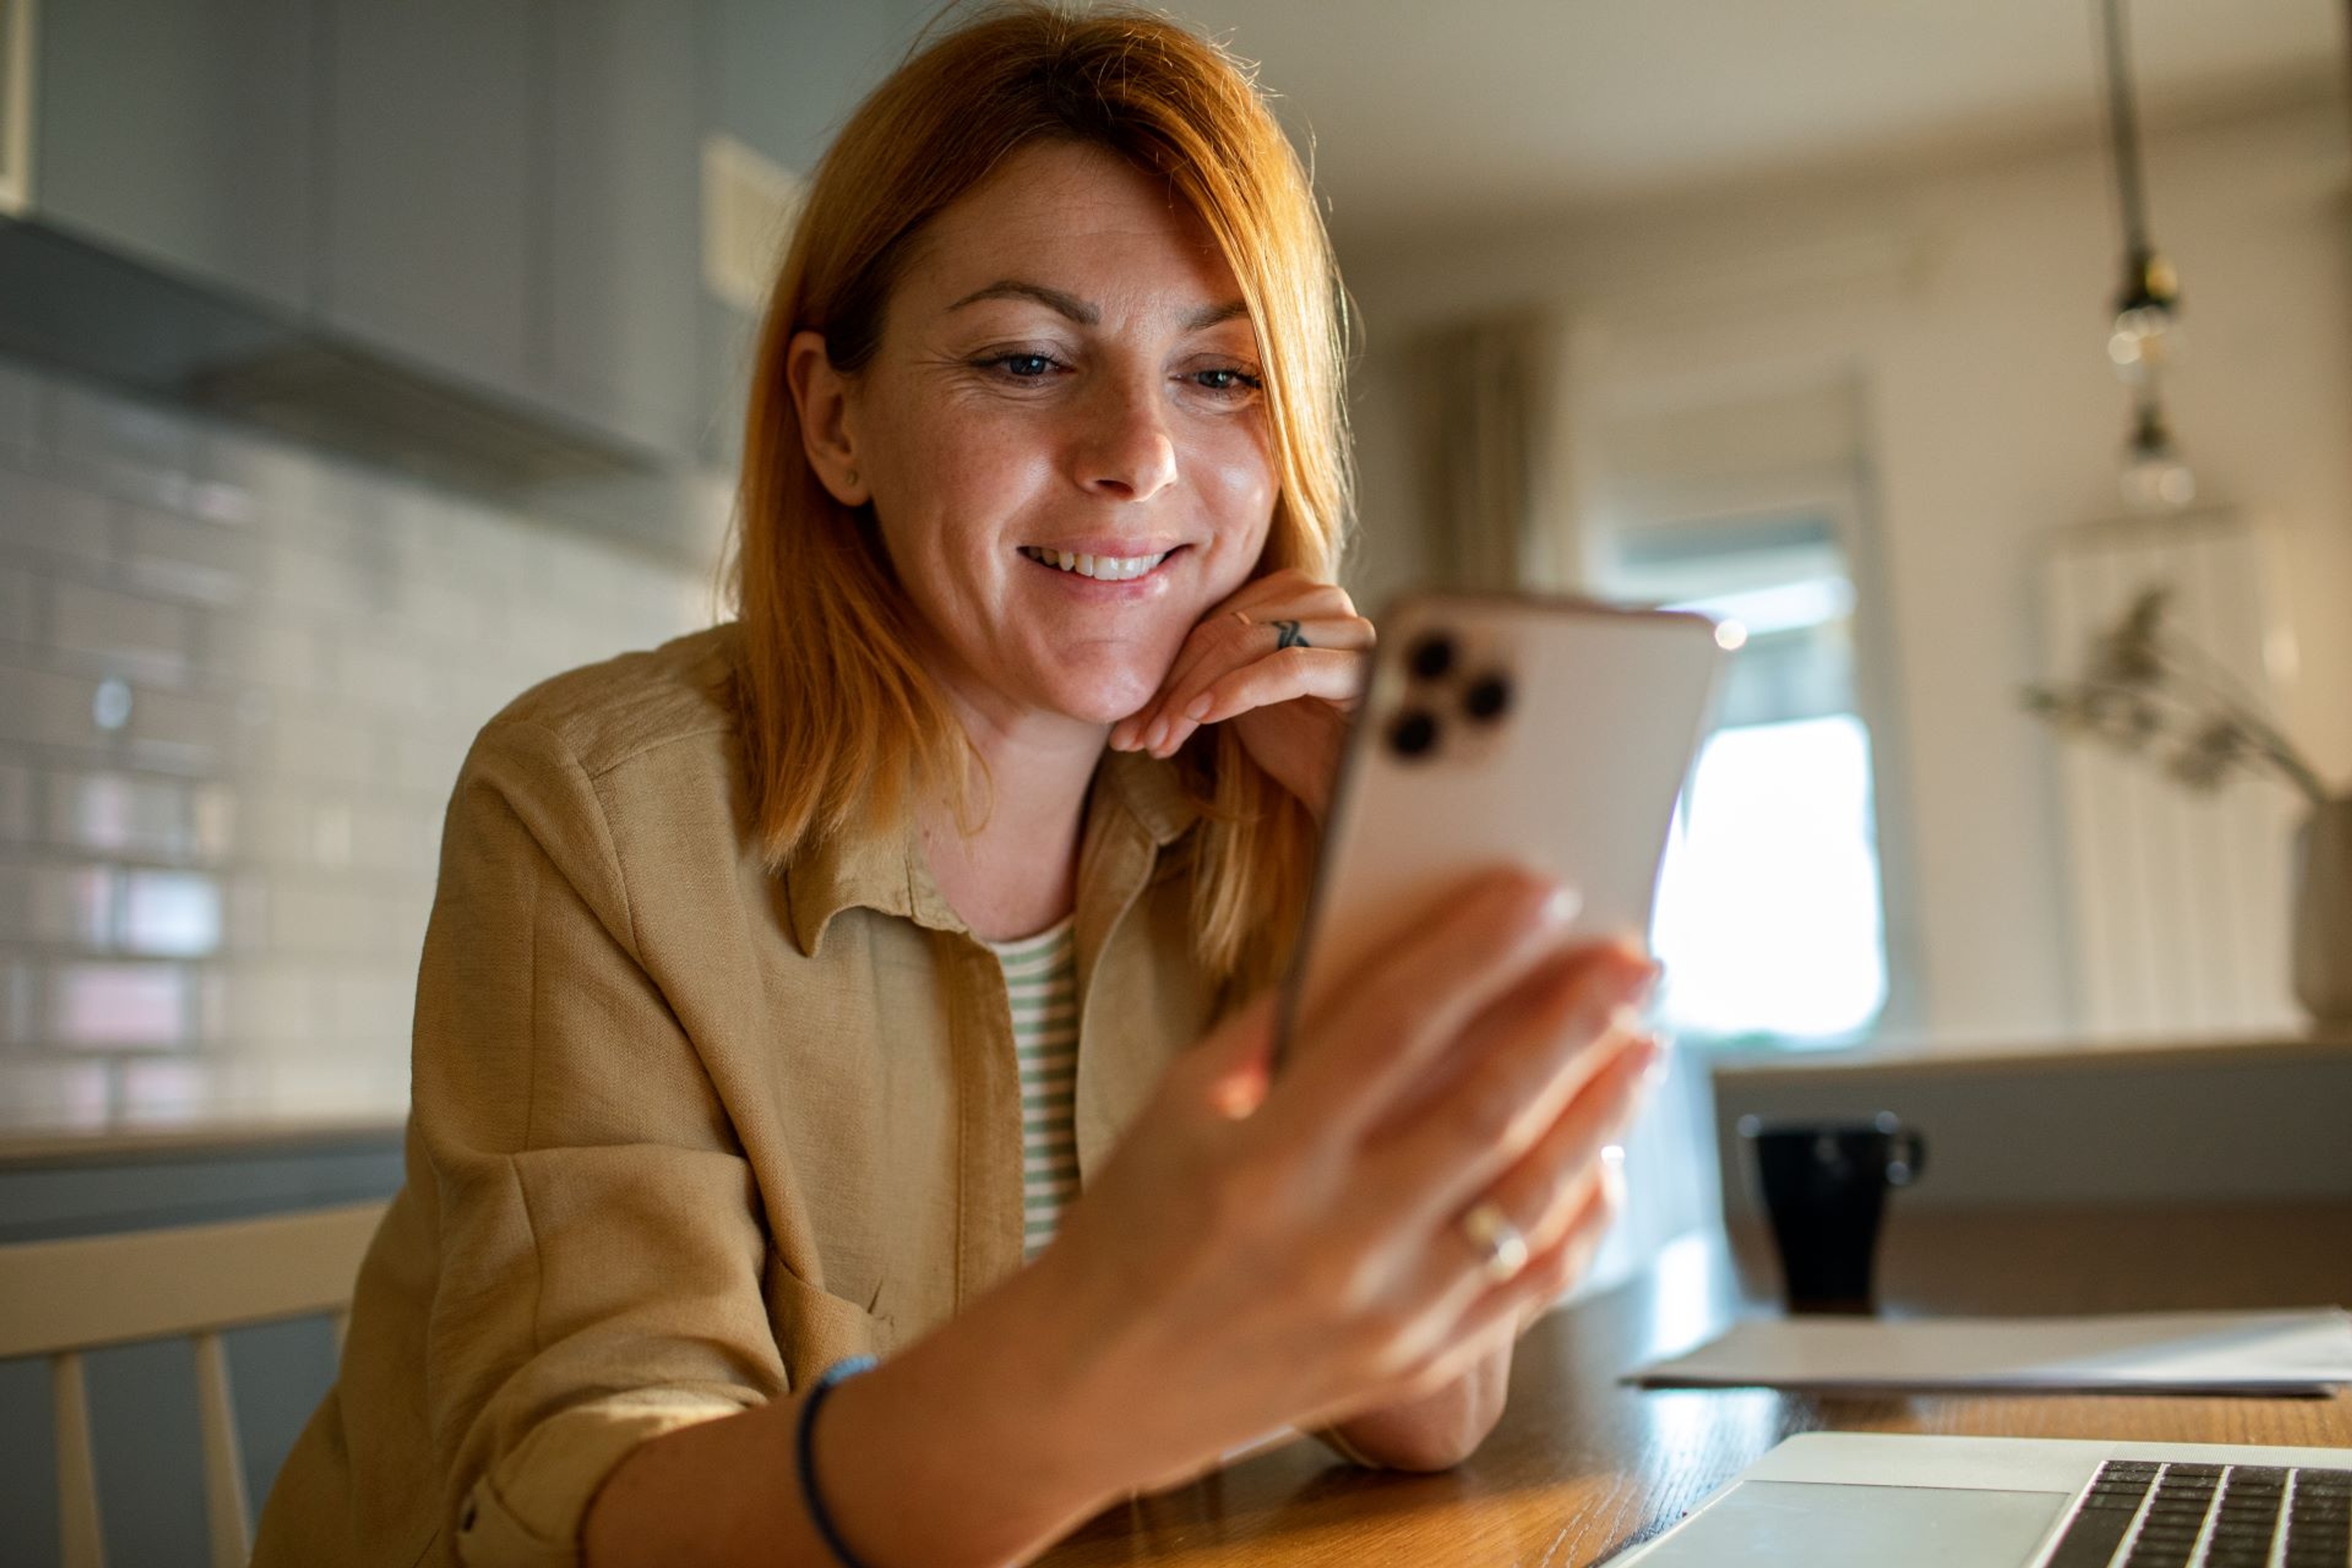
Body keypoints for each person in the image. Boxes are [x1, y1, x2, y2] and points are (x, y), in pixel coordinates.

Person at [254, 7, 1660, 1566]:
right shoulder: (594, 807)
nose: (1138, 453)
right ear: (835, 419)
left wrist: (1378, 860)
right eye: (1028, 359)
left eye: (1219, 373)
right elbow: (592, 1509)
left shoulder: (1256, 816)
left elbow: (1432, 1410)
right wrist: (1098, 1368)